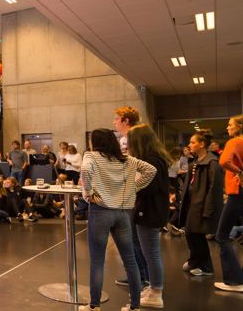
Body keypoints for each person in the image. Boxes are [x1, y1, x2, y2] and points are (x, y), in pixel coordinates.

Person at [79, 128, 156, 311]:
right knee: (130, 260)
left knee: (97, 261)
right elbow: (150, 170)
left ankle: (94, 306)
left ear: (95, 142)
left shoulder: (92, 156)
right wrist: (133, 188)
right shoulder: (126, 159)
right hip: (123, 213)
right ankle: (135, 306)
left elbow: (85, 170)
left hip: (100, 212)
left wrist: (88, 192)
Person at [127, 124, 173, 308]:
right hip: (151, 211)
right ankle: (154, 288)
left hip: (149, 212)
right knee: (150, 253)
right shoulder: (155, 158)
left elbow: (147, 187)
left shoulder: (151, 161)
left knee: (151, 254)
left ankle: (156, 292)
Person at [180, 129, 223, 278]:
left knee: (195, 234)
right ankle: (196, 261)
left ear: (202, 144)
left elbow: (214, 188)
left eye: (193, 142)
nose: (189, 145)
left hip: (201, 204)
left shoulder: (212, 162)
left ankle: (204, 266)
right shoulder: (196, 161)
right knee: (191, 233)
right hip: (193, 202)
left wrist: (208, 208)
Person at [214, 114, 243, 293]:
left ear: (239, 126)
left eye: (230, 125)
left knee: (222, 236)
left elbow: (224, 161)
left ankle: (234, 281)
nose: (227, 128)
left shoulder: (234, 142)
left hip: (237, 192)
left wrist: (239, 171)